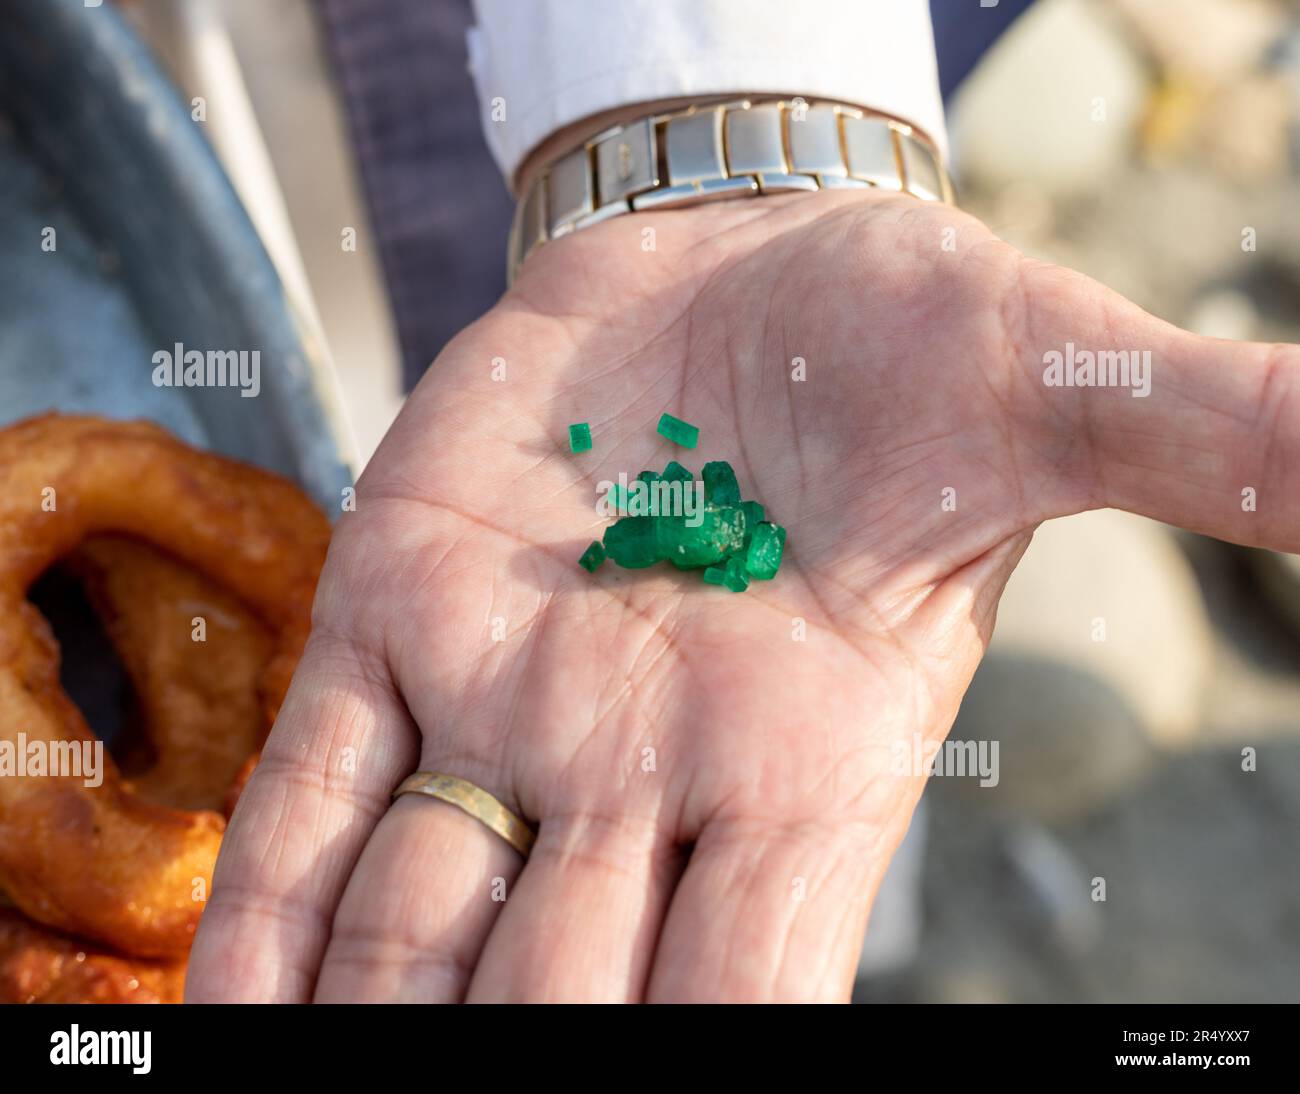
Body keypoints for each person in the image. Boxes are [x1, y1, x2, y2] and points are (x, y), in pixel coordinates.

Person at [187, 0, 1299, 1002]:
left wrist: (727, 121)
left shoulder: (741, 518)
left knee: (783, 757)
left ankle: (826, 915)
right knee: (321, 332)